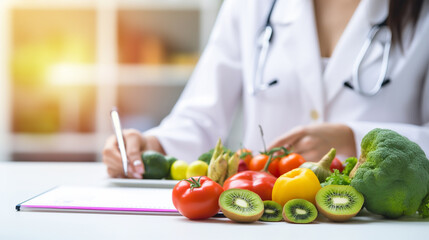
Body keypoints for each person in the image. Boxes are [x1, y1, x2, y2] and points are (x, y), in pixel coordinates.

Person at [103, 0, 429, 179]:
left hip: (375, 224)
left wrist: (354, 139)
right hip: (261, 213)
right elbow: (201, 115)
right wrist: (150, 145)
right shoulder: (253, 5)